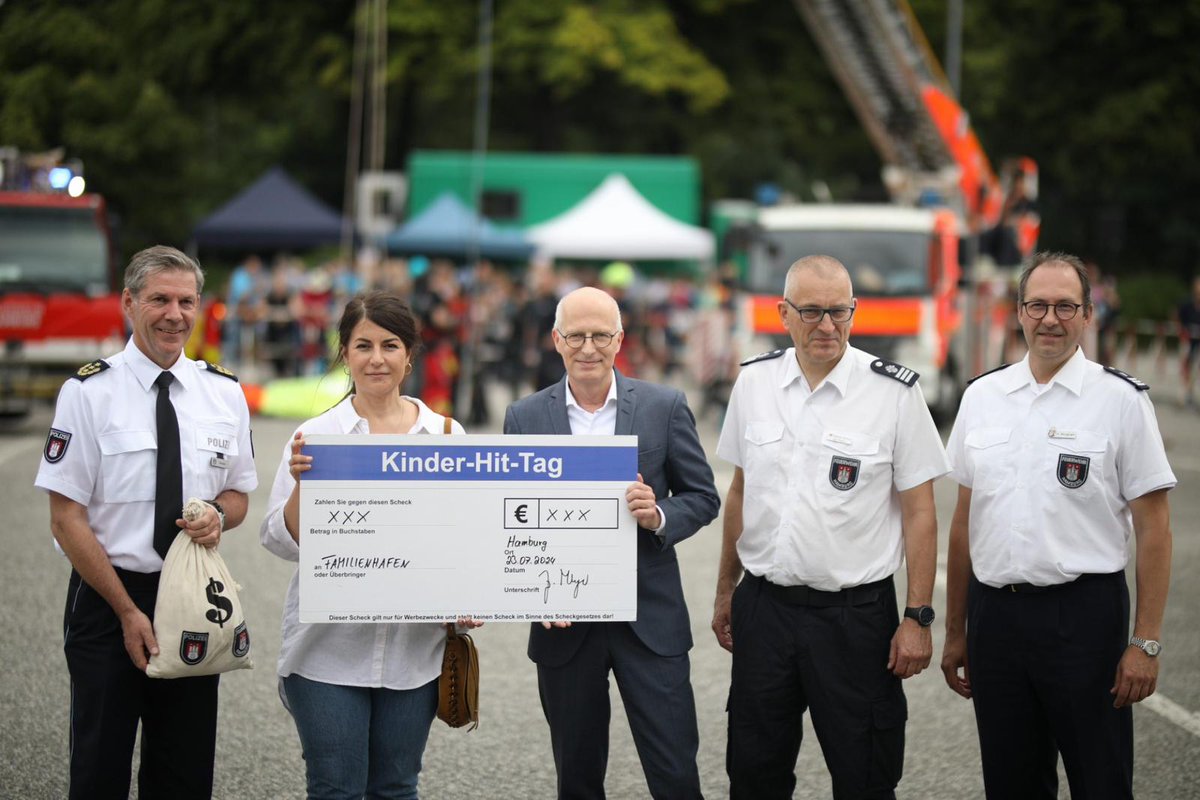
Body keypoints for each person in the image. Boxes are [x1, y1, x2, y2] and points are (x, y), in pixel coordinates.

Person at [940, 252, 1176, 798]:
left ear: (1088, 314)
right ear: (1018, 312)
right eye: (1038, 305)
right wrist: (955, 631)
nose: (1050, 319)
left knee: (1100, 780)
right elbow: (964, 523)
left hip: (1084, 619)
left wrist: (1146, 642)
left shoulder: (1121, 401)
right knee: (1011, 783)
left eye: (1065, 306)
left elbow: (1155, 527)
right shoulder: (982, 397)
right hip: (995, 619)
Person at [712, 255, 948, 800]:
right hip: (765, 611)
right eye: (812, 311)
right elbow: (742, 492)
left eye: (839, 312)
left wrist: (917, 616)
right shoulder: (754, 383)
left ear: (854, 311)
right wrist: (727, 591)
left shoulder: (893, 393)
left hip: (855, 619)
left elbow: (920, 511)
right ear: (783, 314)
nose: (826, 325)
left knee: (866, 774)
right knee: (753, 773)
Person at [34, 246, 257, 799]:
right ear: (128, 302)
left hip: (192, 596)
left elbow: (238, 494)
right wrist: (128, 611)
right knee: (99, 769)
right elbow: (66, 518)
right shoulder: (88, 393)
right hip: (108, 596)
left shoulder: (225, 393)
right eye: (160, 300)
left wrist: (218, 516)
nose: (174, 315)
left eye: (186, 301)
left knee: (183, 774)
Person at [503, 286, 720, 800]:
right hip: (564, 623)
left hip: (650, 619)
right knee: (577, 777)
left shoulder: (664, 406)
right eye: (576, 336)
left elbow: (703, 496)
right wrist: (530, 588)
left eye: (601, 335)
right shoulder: (524, 417)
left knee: (675, 772)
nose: (588, 348)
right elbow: (509, 515)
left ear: (620, 339)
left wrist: (659, 513)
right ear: (556, 340)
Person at [261, 291, 479, 799]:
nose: (376, 358)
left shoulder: (446, 437)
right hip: (326, 654)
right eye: (363, 345)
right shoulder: (315, 436)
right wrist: (303, 487)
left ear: (410, 355)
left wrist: (472, 595)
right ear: (345, 354)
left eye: (390, 345)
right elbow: (279, 540)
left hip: (414, 655)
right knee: (335, 789)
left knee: (397, 788)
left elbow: (470, 540)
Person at [1176, 275, 1200, 406]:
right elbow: (1177, 317)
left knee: (1196, 369)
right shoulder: (1187, 304)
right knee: (1185, 366)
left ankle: (1191, 393)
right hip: (1187, 339)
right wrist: (1181, 330)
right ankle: (1183, 393)